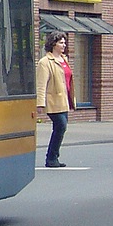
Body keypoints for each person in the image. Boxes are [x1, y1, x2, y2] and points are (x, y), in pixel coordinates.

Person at [35, 31, 76, 168]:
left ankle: (53, 158)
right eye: (61, 42)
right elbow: (41, 84)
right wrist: (40, 103)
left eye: (64, 42)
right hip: (53, 101)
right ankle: (51, 157)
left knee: (61, 128)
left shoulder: (64, 60)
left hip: (64, 100)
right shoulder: (45, 62)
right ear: (53, 44)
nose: (64, 45)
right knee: (61, 126)